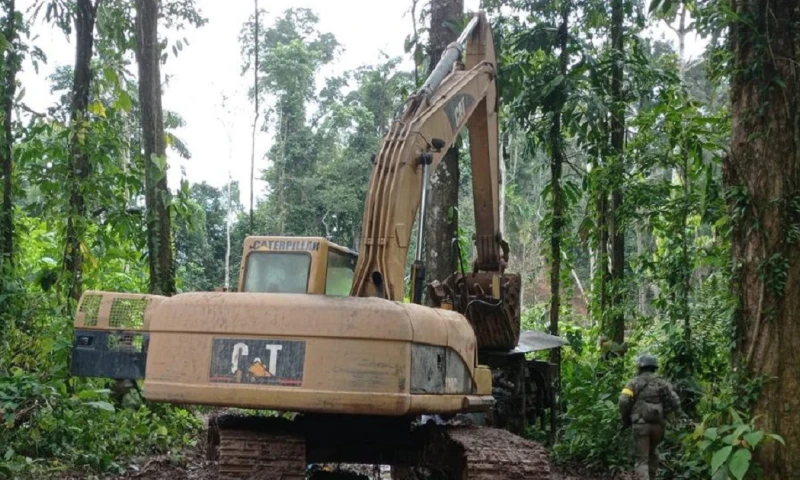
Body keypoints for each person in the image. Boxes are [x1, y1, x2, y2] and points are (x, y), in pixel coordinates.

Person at [619, 353, 681, 480]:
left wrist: (625, 417)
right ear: (654, 368)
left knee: (642, 460)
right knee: (653, 453)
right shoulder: (663, 383)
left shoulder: (633, 383)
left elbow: (623, 401)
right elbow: (676, 402)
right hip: (658, 426)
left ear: (639, 368)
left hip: (641, 425)